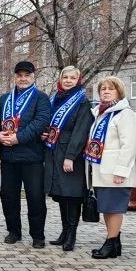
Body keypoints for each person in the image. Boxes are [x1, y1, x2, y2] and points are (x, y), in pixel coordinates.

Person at [0, 60, 52, 248]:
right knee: (8, 196)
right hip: (9, 157)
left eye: (27, 75)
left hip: (32, 157)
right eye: (19, 75)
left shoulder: (41, 98)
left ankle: (38, 235)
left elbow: (40, 122)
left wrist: (18, 138)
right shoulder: (4, 99)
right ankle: (14, 231)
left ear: (33, 77)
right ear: (15, 77)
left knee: (35, 197)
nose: (23, 78)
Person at [84, 76, 136, 259]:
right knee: (107, 207)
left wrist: (121, 171)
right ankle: (114, 243)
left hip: (115, 171)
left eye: (111, 89)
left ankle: (110, 242)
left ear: (119, 92)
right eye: (103, 89)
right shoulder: (100, 113)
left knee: (114, 208)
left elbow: (129, 145)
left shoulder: (125, 114)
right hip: (101, 171)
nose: (106, 91)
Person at [42, 66, 94, 251]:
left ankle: (71, 235)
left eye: (73, 78)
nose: (68, 81)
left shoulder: (82, 101)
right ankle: (64, 232)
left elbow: (81, 132)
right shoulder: (55, 98)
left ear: (78, 80)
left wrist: (70, 156)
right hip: (54, 151)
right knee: (62, 194)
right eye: (65, 77)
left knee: (72, 195)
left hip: (72, 153)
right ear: (60, 79)